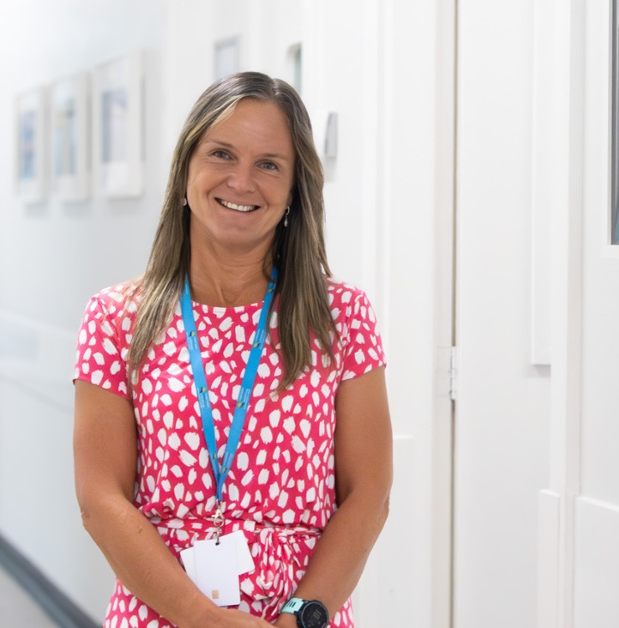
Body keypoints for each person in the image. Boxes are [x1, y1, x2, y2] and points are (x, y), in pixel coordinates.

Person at [72, 72, 392, 628]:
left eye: (269, 164)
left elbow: (369, 492)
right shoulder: (116, 318)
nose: (241, 181)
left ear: (295, 189)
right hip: (161, 613)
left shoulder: (340, 317)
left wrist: (301, 616)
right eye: (222, 154)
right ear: (186, 171)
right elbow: (101, 500)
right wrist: (203, 619)